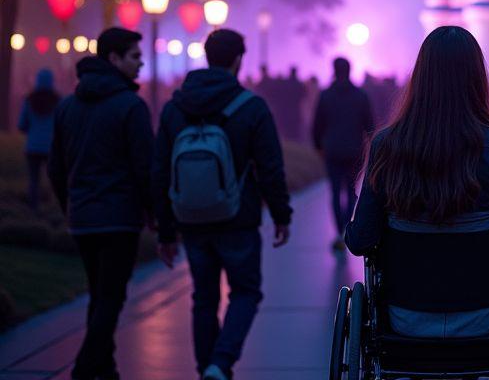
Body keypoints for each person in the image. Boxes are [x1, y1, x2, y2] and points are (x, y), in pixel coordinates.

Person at [346, 26, 489, 338]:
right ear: (478, 80)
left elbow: (360, 241)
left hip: (405, 316)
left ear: (420, 78)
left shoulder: (386, 145)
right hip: (482, 316)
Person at [153, 29, 292, 380]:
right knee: (245, 291)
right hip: (238, 217)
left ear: (206, 56)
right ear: (238, 60)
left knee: (203, 297)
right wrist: (281, 214)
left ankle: (207, 368)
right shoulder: (251, 107)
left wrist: (165, 230)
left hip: (191, 219)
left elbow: (160, 171)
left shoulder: (174, 109)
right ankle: (221, 362)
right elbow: (270, 167)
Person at [48, 28, 153, 380]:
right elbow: (145, 168)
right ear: (114, 59)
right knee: (111, 298)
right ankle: (84, 368)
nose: (141, 63)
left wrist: (70, 205)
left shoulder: (67, 107)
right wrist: (157, 217)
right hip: (119, 218)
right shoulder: (131, 107)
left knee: (99, 294)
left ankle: (105, 369)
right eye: (135, 57)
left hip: (82, 217)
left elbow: (56, 167)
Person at [312, 57, 375, 250]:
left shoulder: (325, 95)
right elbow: (370, 125)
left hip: (332, 150)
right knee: (351, 192)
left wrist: (318, 147)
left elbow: (317, 126)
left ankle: (339, 230)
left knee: (335, 192)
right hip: (354, 150)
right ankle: (346, 228)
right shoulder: (361, 96)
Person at [18, 69, 60, 212]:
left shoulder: (29, 100)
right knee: (54, 179)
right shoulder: (58, 101)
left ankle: (33, 209)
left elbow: (22, 125)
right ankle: (54, 208)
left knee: (34, 180)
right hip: (50, 148)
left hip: (32, 147)